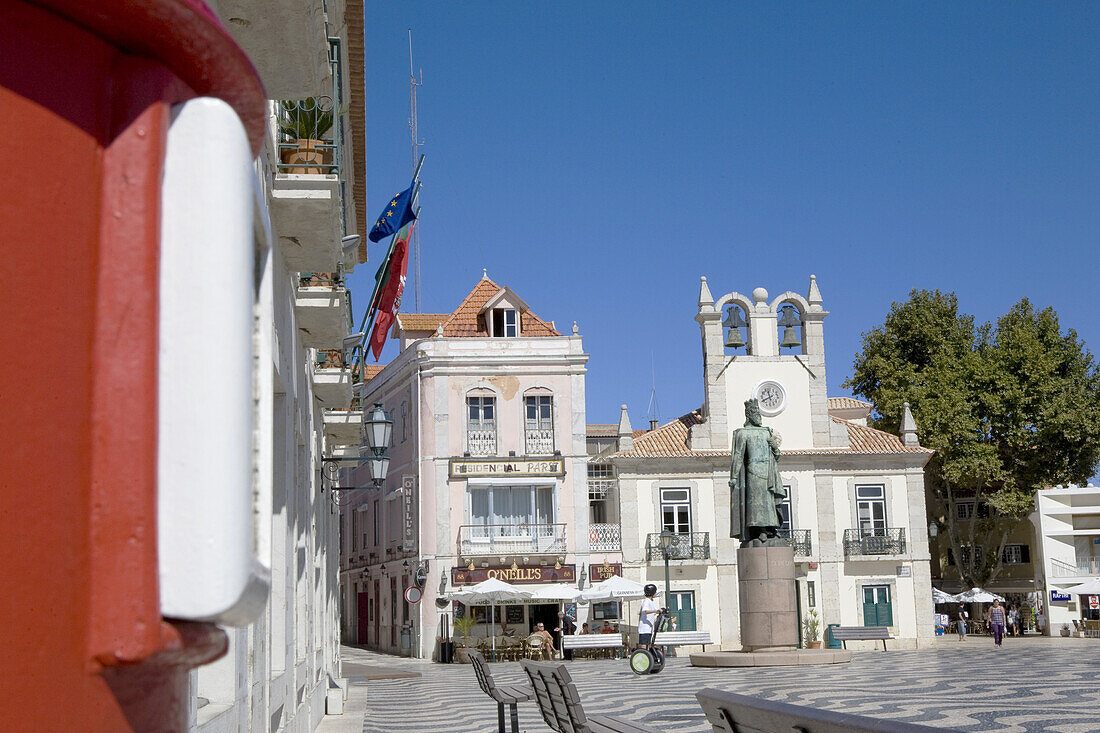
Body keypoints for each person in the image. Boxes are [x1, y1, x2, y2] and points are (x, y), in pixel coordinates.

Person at [637, 584, 664, 650]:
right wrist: (656, 610)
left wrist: (660, 610)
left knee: (648, 643)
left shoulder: (651, 601)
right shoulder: (646, 601)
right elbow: (645, 611)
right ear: (653, 592)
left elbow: (655, 611)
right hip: (644, 628)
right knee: (644, 644)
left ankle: (648, 656)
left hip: (649, 628)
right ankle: (643, 655)